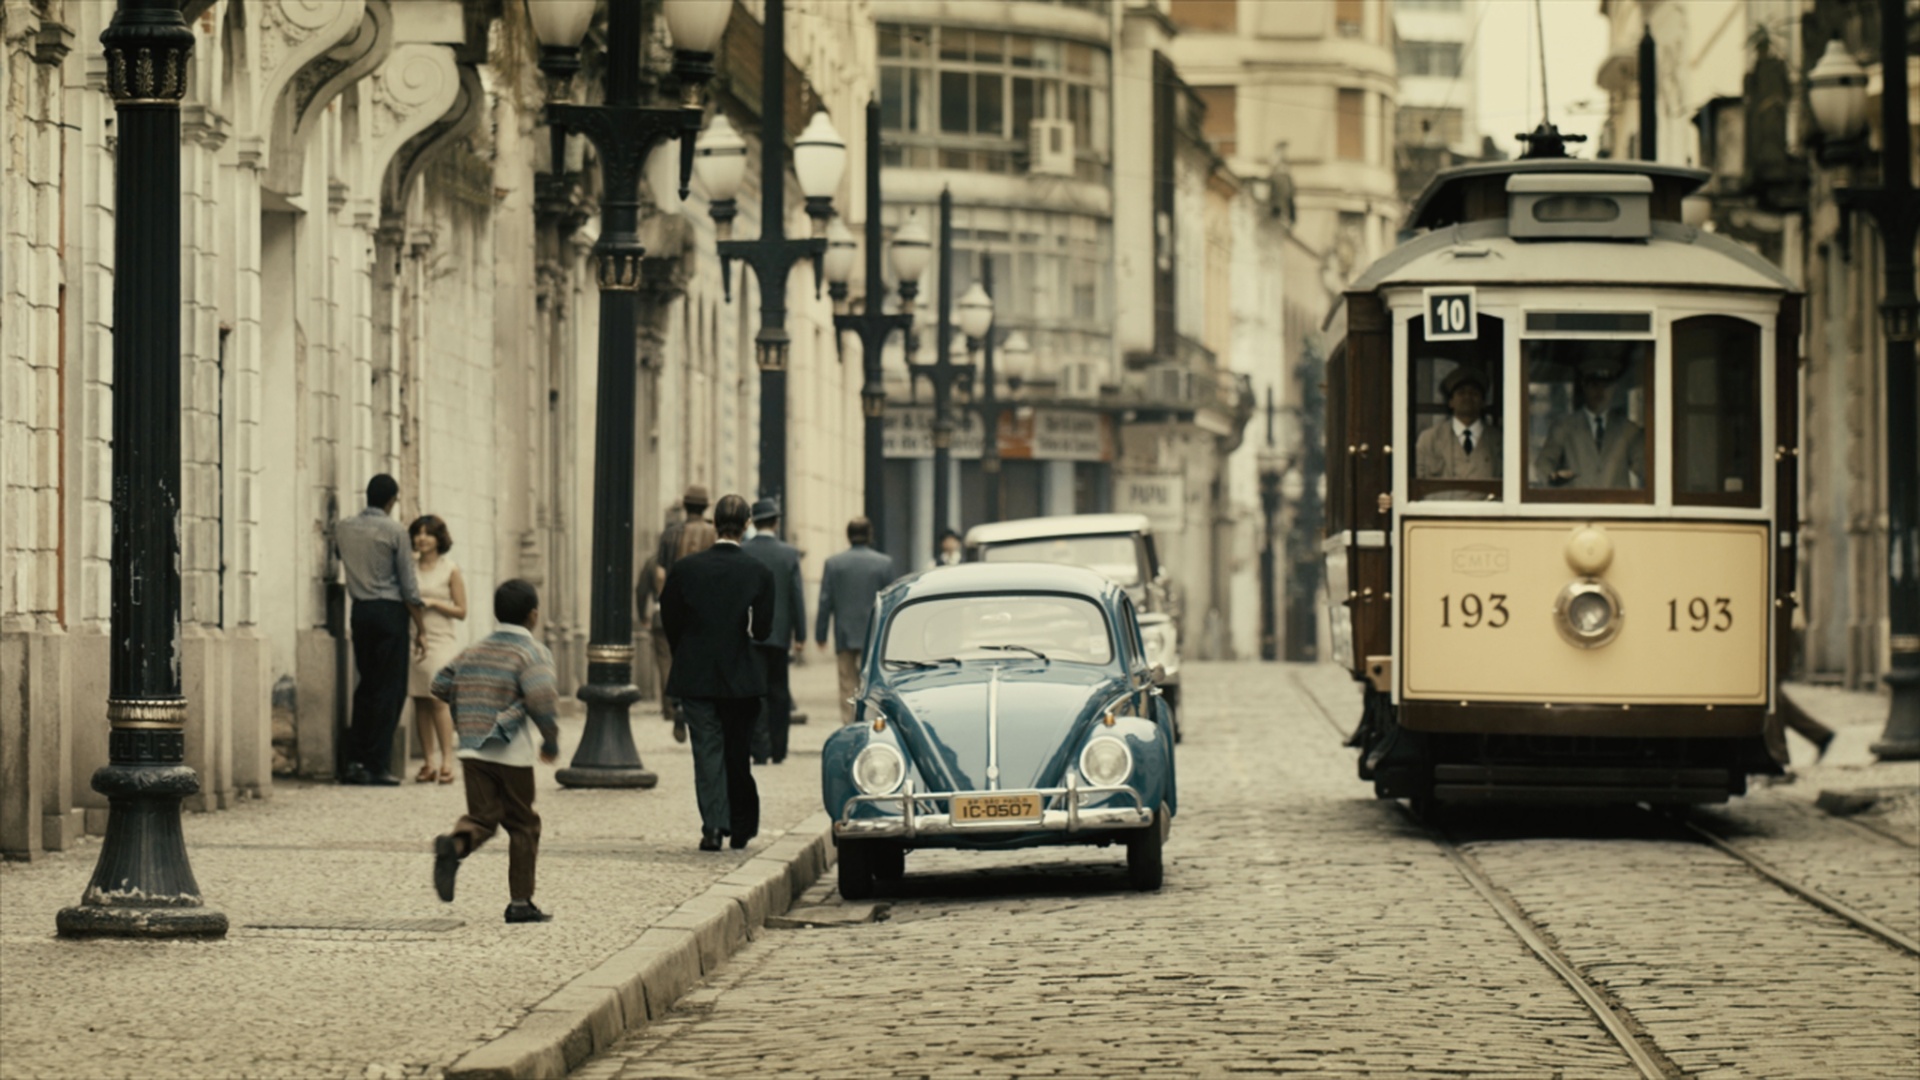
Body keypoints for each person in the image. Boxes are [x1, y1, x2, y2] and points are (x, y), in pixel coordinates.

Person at [430, 579, 562, 924]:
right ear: (534, 615)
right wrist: (550, 740)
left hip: (472, 751)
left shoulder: (475, 649)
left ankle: (455, 845)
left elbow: (440, 684)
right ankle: (520, 902)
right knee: (522, 824)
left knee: (483, 817)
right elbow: (542, 698)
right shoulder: (532, 652)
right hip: (511, 753)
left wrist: (471, 704)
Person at [659, 494, 775, 852]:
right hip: (740, 676)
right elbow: (762, 631)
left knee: (706, 750)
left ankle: (712, 826)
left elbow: (670, 618)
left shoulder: (686, 569)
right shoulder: (758, 572)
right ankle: (741, 826)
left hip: (696, 673)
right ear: (746, 524)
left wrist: (687, 650)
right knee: (737, 752)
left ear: (714, 523)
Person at [334, 474, 426, 786]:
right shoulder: (395, 531)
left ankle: (355, 761)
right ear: (391, 501)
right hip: (389, 613)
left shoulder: (343, 527)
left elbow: (339, 558)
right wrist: (421, 627)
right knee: (391, 689)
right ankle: (377, 764)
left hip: (360, 612)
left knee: (367, 686)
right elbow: (409, 586)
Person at [743, 498, 806, 765]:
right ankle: (779, 748)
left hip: (749, 633)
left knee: (755, 691)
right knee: (779, 691)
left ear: (754, 523)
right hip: (779, 634)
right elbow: (796, 596)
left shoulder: (744, 551)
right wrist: (800, 634)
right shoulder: (789, 554)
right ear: (776, 522)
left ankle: (759, 749)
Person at [815, 516, 895, 725]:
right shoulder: (884, 564)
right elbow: (890, 601)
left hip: (845, 633)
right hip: (875, 634)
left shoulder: (833, 564)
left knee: (847, 683)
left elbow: (825, 601)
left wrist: (820, 634)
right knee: (873, 683)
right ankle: (870, 722)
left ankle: (849, 724)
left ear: (848, 536)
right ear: (869, 535)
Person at [408, 515, 468, 784]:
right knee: (420, 699)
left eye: (428, 533)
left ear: (438, 539)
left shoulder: (450, 569)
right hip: (416, 639)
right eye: (418, 533)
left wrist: (433, 602)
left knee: (438, 700)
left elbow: (461, 610)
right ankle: (428, 762)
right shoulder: (410, 567)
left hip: (442, 639)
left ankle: (447, 761)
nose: (422, 538)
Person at [653, 485, 715, 743]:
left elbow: (659, 573)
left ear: (686, 507)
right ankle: (699, 709)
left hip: (678, 607)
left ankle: (678, 705)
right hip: (707, 609)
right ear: (705, 506)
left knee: (677, 658)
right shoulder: (713, 534)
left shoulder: (670, 535)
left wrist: (665, 602)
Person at [1536, 365, 1645, 490]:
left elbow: (1646, 469)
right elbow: (1544, 463)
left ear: (1614, 388)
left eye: (1606, 386)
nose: (1600, 391)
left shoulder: (1628, 429)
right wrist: (1553, 478)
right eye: (1594, 385)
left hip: (1616, 506)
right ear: (1584, 386)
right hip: (1577, 505)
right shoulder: (1564, 426)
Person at [1414, 365, 1501, 486]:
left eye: (1474, 393)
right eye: (1461, 392)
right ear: (1451, 402)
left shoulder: (1499, 441)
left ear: (1483, 402)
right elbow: (1418, 484)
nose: (1467, 397)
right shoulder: (1429, 439)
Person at [638, 502, 684, 711]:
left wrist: (643, 616)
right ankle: (681, 702)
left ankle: (669, 707)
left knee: (665, 663)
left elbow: (640, 591)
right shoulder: (685, 561)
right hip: (682, 614)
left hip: (659, 614)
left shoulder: (652, 563)